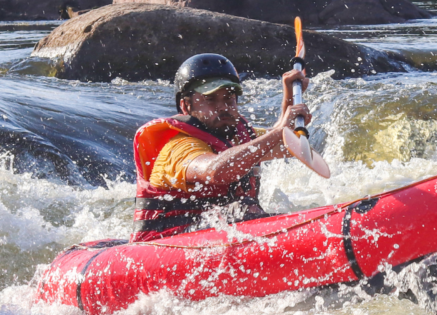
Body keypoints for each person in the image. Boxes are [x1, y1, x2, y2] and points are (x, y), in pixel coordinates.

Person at [130, 53, 311, 242]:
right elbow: (216, 171)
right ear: (185, 106)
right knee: (242, 208)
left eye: (229, 98)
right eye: (210, 99)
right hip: (164, 246)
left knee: (244, 209)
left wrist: (290, 95)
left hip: (208, 237)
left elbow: (285, 145)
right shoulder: (178, 147)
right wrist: (278, 131)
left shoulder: (236, 136)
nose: (223, 106)